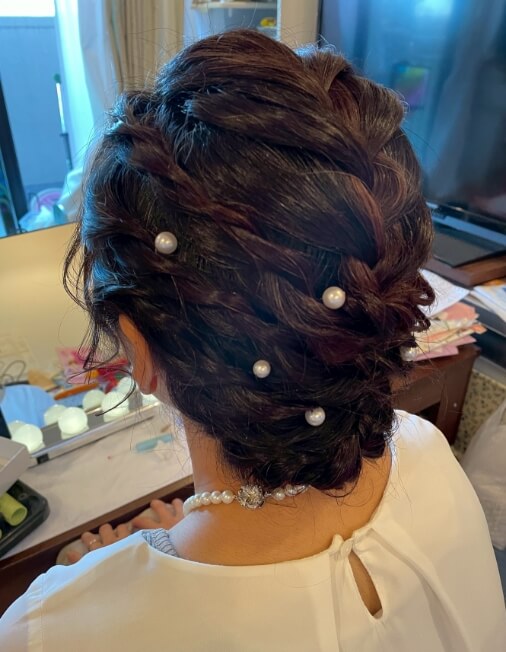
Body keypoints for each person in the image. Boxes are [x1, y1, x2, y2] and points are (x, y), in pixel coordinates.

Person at [1, 29, 504, 651]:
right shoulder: (426, 450)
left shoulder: (48, 632)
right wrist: (185, 534)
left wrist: (93, 582)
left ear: (140, 350)